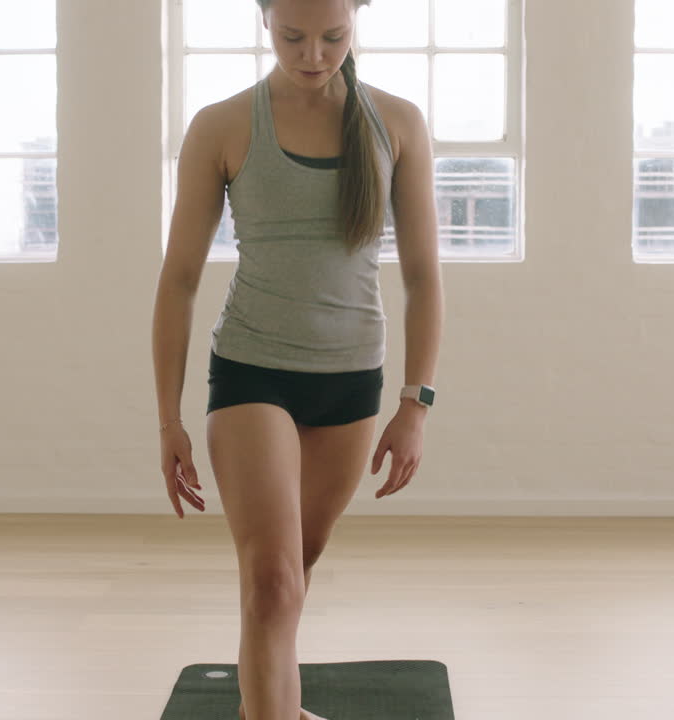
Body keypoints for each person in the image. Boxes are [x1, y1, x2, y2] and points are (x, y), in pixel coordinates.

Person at [151, 0, 443, 717]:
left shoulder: (397, 124)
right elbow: (180, 279)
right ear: (264, 20)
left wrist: (416, 403)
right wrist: (169, 421)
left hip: (350, 382)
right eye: (293, 36)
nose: (313, 53)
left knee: (294, 569)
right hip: (253, 371)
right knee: (272, 583)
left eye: (333, 37)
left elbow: (424, 277)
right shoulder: (221, 126)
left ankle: (269, 707)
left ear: (356, 21)